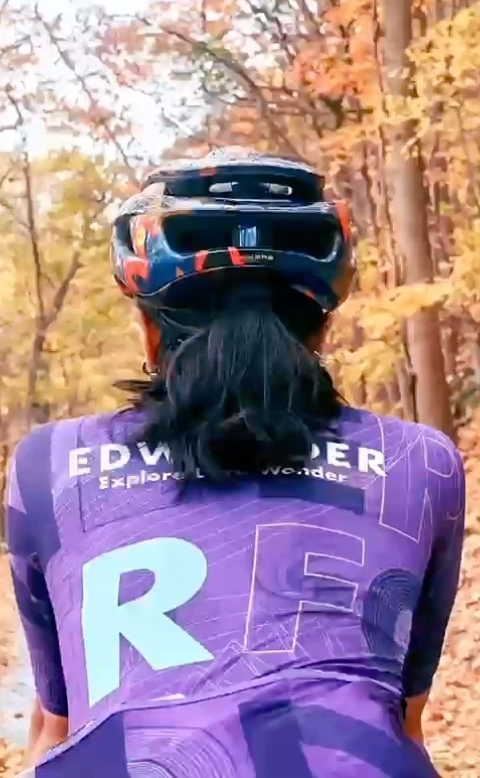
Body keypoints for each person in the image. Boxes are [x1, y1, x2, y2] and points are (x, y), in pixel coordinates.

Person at [7, 148, 465, 777]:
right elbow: (402, 722)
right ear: (321, 329)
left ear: (150, 330)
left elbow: (57, 728)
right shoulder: (421, 463)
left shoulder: (50, 463)